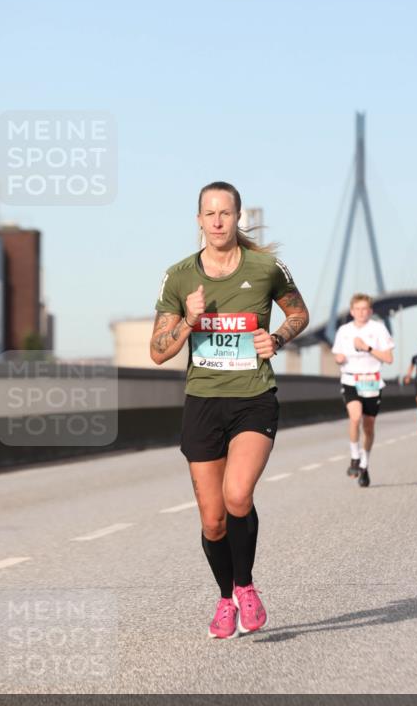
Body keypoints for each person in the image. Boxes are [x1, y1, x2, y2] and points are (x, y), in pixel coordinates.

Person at [150, 181, 309, 639]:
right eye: (210, 213)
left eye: (226, 213)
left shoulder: (265, 268)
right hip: (203, 402)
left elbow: (298, 314)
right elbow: (158, 352)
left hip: (253, 397)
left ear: (238, 217)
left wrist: (276, 338)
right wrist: (188, 321)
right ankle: (226, 599)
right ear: (199, 220)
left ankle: (245, 586)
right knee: (213, 520)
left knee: (238, 495)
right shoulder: (180, 277)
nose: (218, 221)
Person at [332, 294, 394, 487]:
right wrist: (339, 358)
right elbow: (337, 354)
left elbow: (389, 358)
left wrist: (367, 347)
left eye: (364, 309)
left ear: (370, 311)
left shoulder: (378, 328)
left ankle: (365, 464)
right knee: (355, 417)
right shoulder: (344, 330)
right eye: (357, 309)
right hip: (350, 379)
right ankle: (354, 457)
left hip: (372, 381)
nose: (361, 313)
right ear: (352, 311)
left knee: (368, 427)